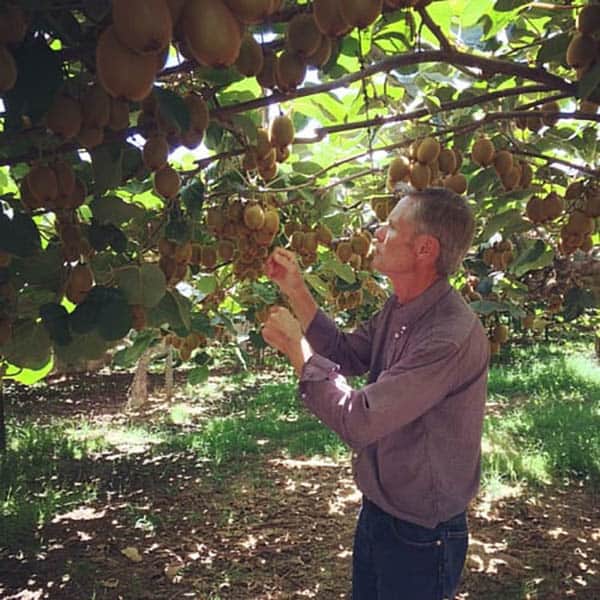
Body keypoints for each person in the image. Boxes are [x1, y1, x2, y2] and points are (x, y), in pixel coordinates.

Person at [261, 187, 489, 600]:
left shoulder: (447, 335)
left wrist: (298, 351)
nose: (377, 232)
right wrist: (296, 289)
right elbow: (348, 353)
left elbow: (358, 419)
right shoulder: (402, 307)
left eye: (391, 226)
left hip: (421, 533)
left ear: (424, 248)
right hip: (380, 510)